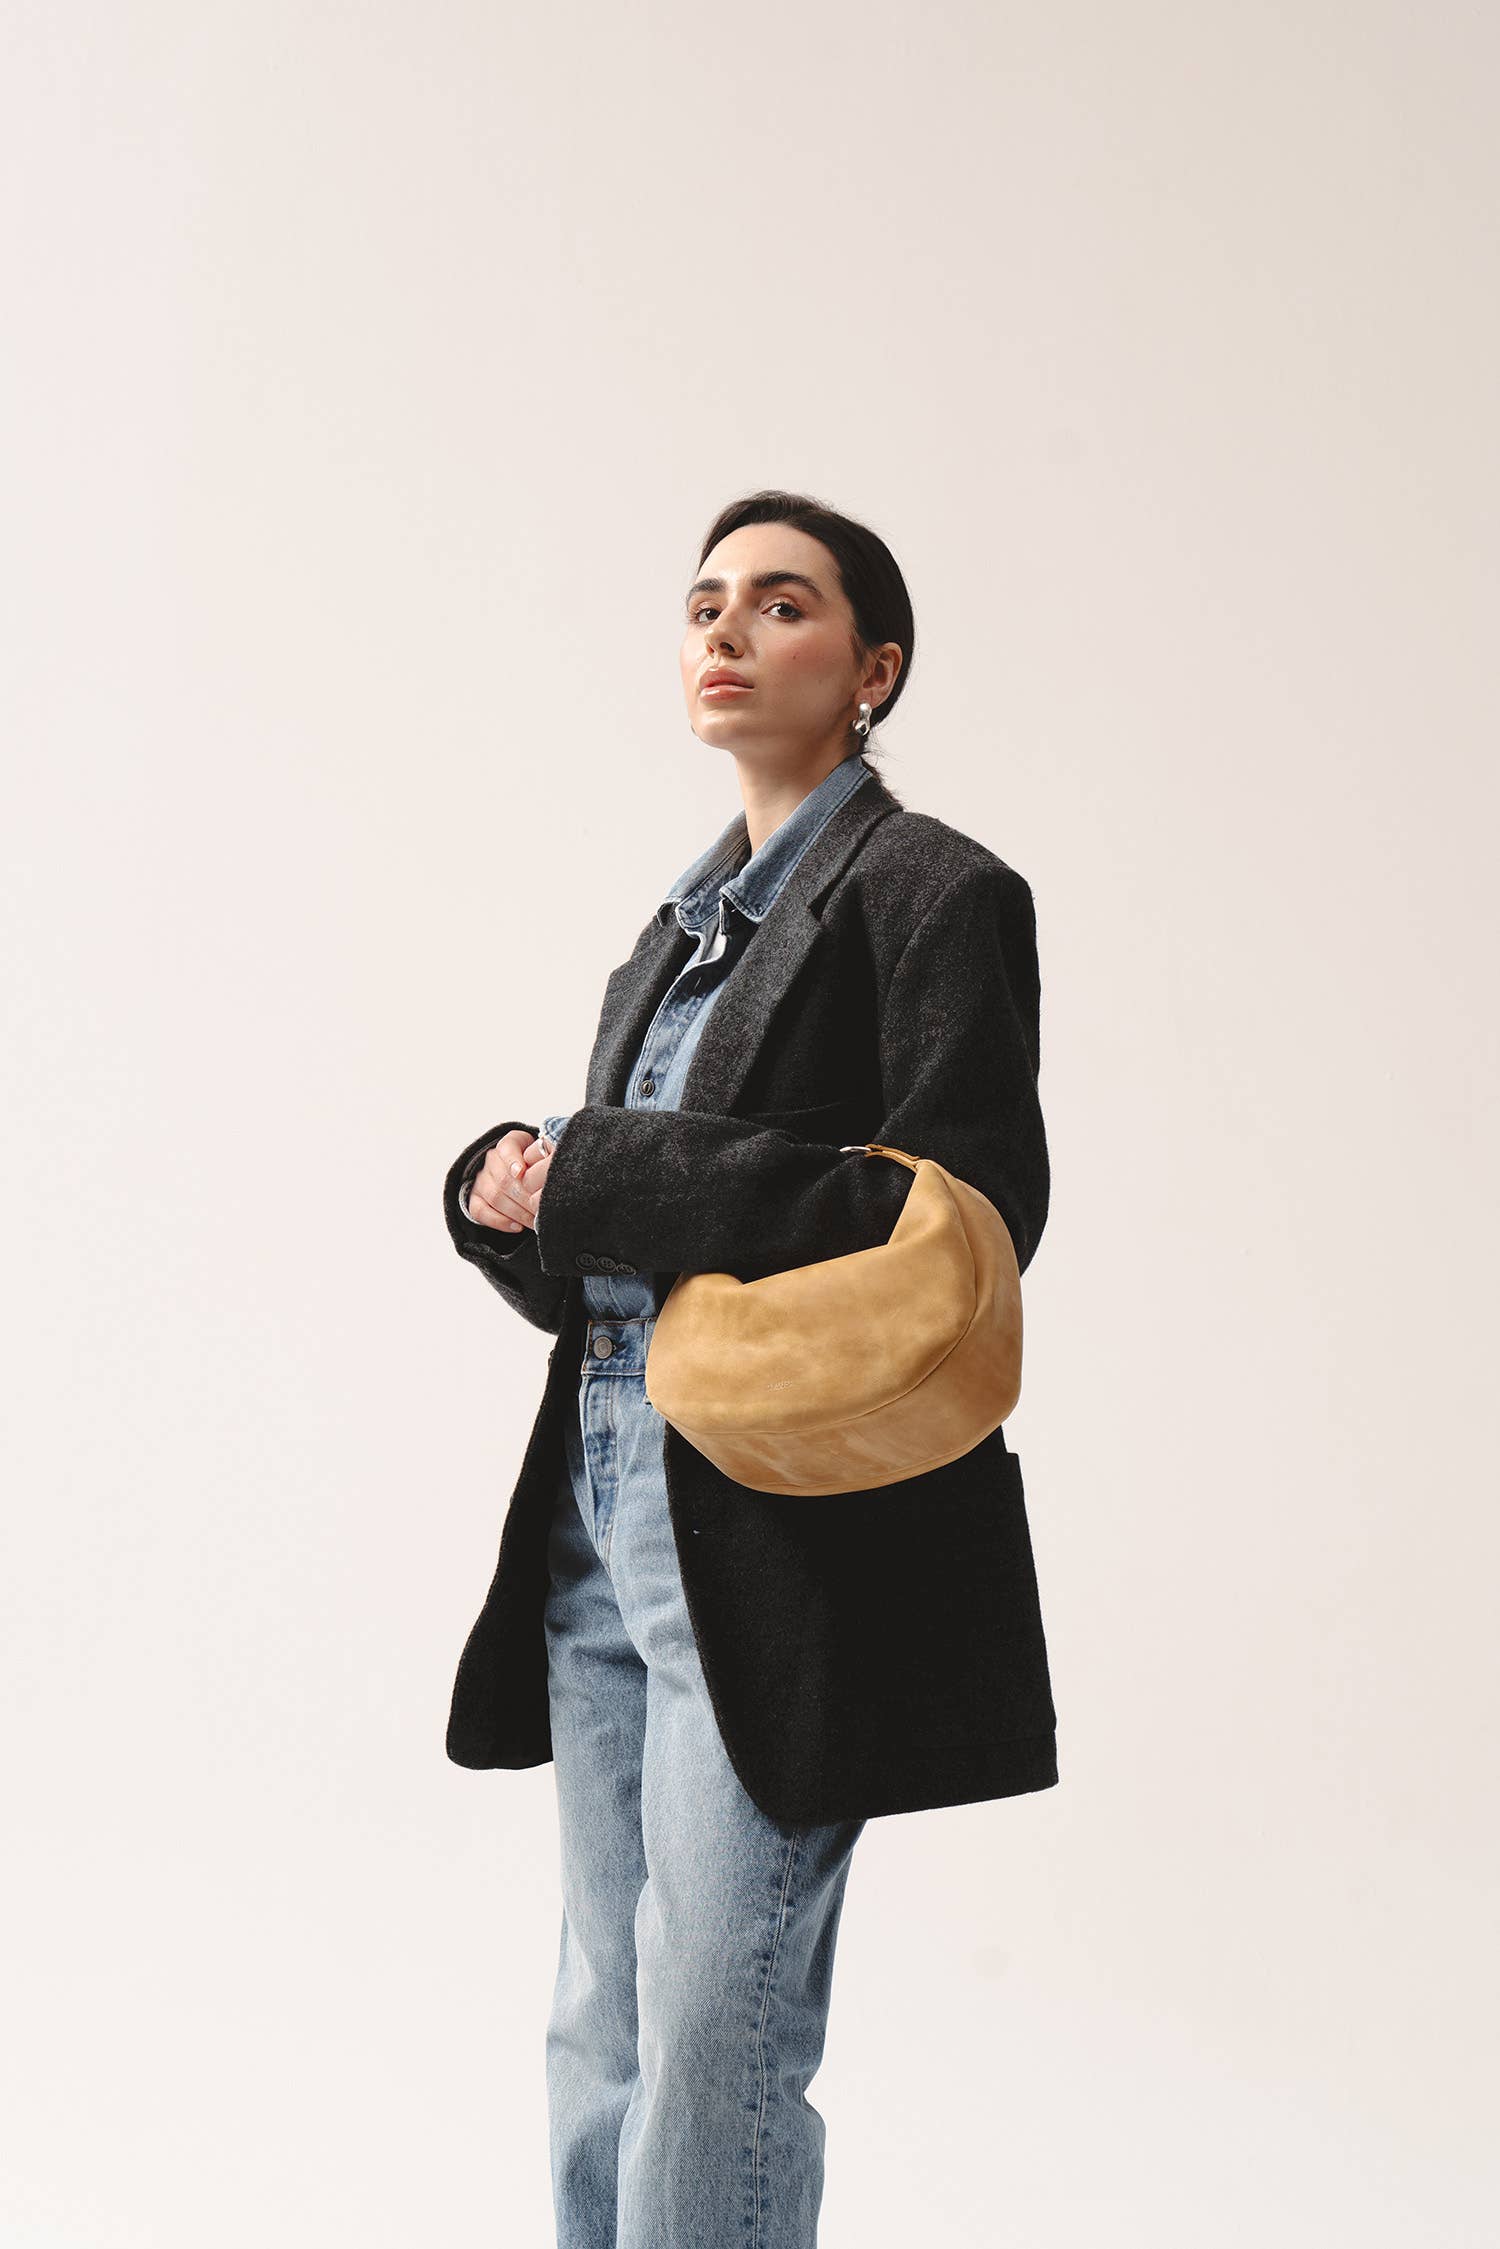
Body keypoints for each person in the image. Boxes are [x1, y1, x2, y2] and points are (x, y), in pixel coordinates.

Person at [443, 487, 1056, 2249]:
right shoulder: (669, 940)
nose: (724, 628)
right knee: (604, 2015)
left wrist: (605, 1168)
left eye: (781, 604)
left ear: (874, 670)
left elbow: (956, 1211)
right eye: (705, 601)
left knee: (719, 2028)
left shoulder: (934, 891)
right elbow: (645, 1271)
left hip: (777, 1524)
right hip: (598, 1510)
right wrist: (510, 1199)